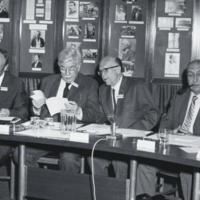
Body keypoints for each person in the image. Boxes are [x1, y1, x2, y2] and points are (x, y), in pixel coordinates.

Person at [13, 47, 99, 173]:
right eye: (63, 69)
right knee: (19, 153)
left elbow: (93, 115)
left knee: (68, 158)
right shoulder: (48, 81)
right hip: (48, 135)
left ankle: (64, 192)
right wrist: (36, 108)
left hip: (72, 138)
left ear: (79, 66)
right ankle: (41, 188)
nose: (67, 73)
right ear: (59, 67)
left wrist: (78, 110)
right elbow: (36, 111)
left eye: (72, 69)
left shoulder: (89, 84)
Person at [87, 56, 160, 179]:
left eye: (106, 70)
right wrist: (102, 126)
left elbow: (153, 114)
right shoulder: (103, 89)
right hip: (110, 141)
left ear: (118, 69)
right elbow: (100, 116)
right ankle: (101, 193)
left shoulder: (137, 86)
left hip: (131, 142)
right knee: (93, 157)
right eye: (100, 72)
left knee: (120, 161)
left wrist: (132, 131)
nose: (102, 75)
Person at [137, 60, 200, 200]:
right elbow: (166, 122)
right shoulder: (180, 96)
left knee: (189, 173)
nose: (195, 79)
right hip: (173, 151)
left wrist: (194, 136)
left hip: (196, 155)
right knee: (144, 165)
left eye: (199, 74)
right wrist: (169, 133)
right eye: (190, 74)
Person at [0, 48, 28, 164]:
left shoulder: (15, 83)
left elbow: (23, 111)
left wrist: (8, 112)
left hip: (3, 136)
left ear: (5, 67)